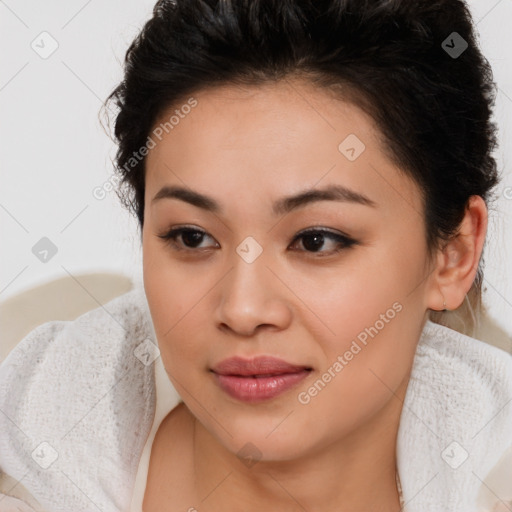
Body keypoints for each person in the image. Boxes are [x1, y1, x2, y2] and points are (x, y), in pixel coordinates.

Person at [1, 0, 511, 511]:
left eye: (317, 240)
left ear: (453, 255)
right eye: (192, 237)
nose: (242, 310)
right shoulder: (27, 463)